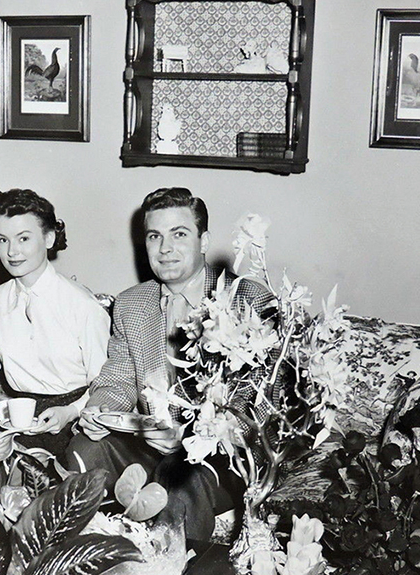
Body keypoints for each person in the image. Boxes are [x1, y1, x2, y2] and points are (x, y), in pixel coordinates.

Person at [65, 187, 272, 541]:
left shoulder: (248, 299)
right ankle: (90, 566)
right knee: (84, 449)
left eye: (179, 234)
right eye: (154, 236)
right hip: (149, 444)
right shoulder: (131, 304)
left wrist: (196, 438)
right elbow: (117, 382)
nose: (165, 249)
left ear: (204, 241)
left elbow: (262, 404)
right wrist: (99, 411)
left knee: (178, 482)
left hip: (220, 458)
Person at [0, 189, 110, 456]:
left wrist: (70, 412)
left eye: (23, 238)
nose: (12, 251)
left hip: (78, 425)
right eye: (2, 240)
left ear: (49, 237)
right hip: (22, 422)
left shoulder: (82, 306)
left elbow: (108, 385)